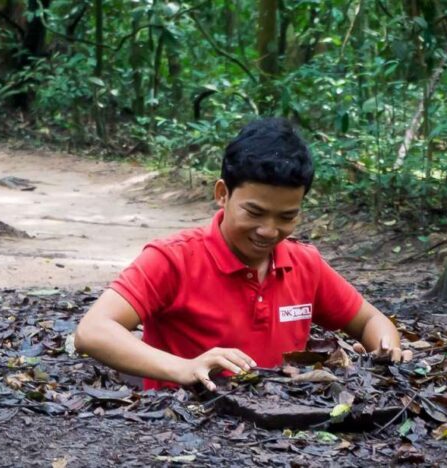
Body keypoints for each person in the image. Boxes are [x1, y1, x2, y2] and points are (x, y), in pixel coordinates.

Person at [74, 118, 410, 391]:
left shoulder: (305, 264)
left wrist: (386, 348)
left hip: (283, 435)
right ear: (223, 194)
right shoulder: (172, 259)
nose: (269, 231)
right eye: (254, 212)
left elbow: (371, 320)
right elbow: (93, 331)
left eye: (287, 217)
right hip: (182, 430)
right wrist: (186, 368)